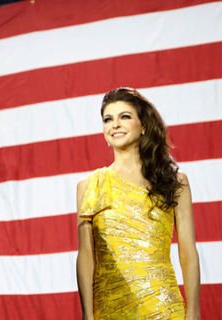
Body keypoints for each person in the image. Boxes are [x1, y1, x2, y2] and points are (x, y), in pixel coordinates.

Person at [76, 88, 201, 320]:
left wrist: (193, 311)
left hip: (164, 308)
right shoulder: (89, 185)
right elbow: (86, 257)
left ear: (143, 125)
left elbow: (187, 252)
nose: (115, 124)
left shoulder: (174, 181)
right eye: (108, 119)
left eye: (124, 116)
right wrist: (88, 315)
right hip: (108, 310)